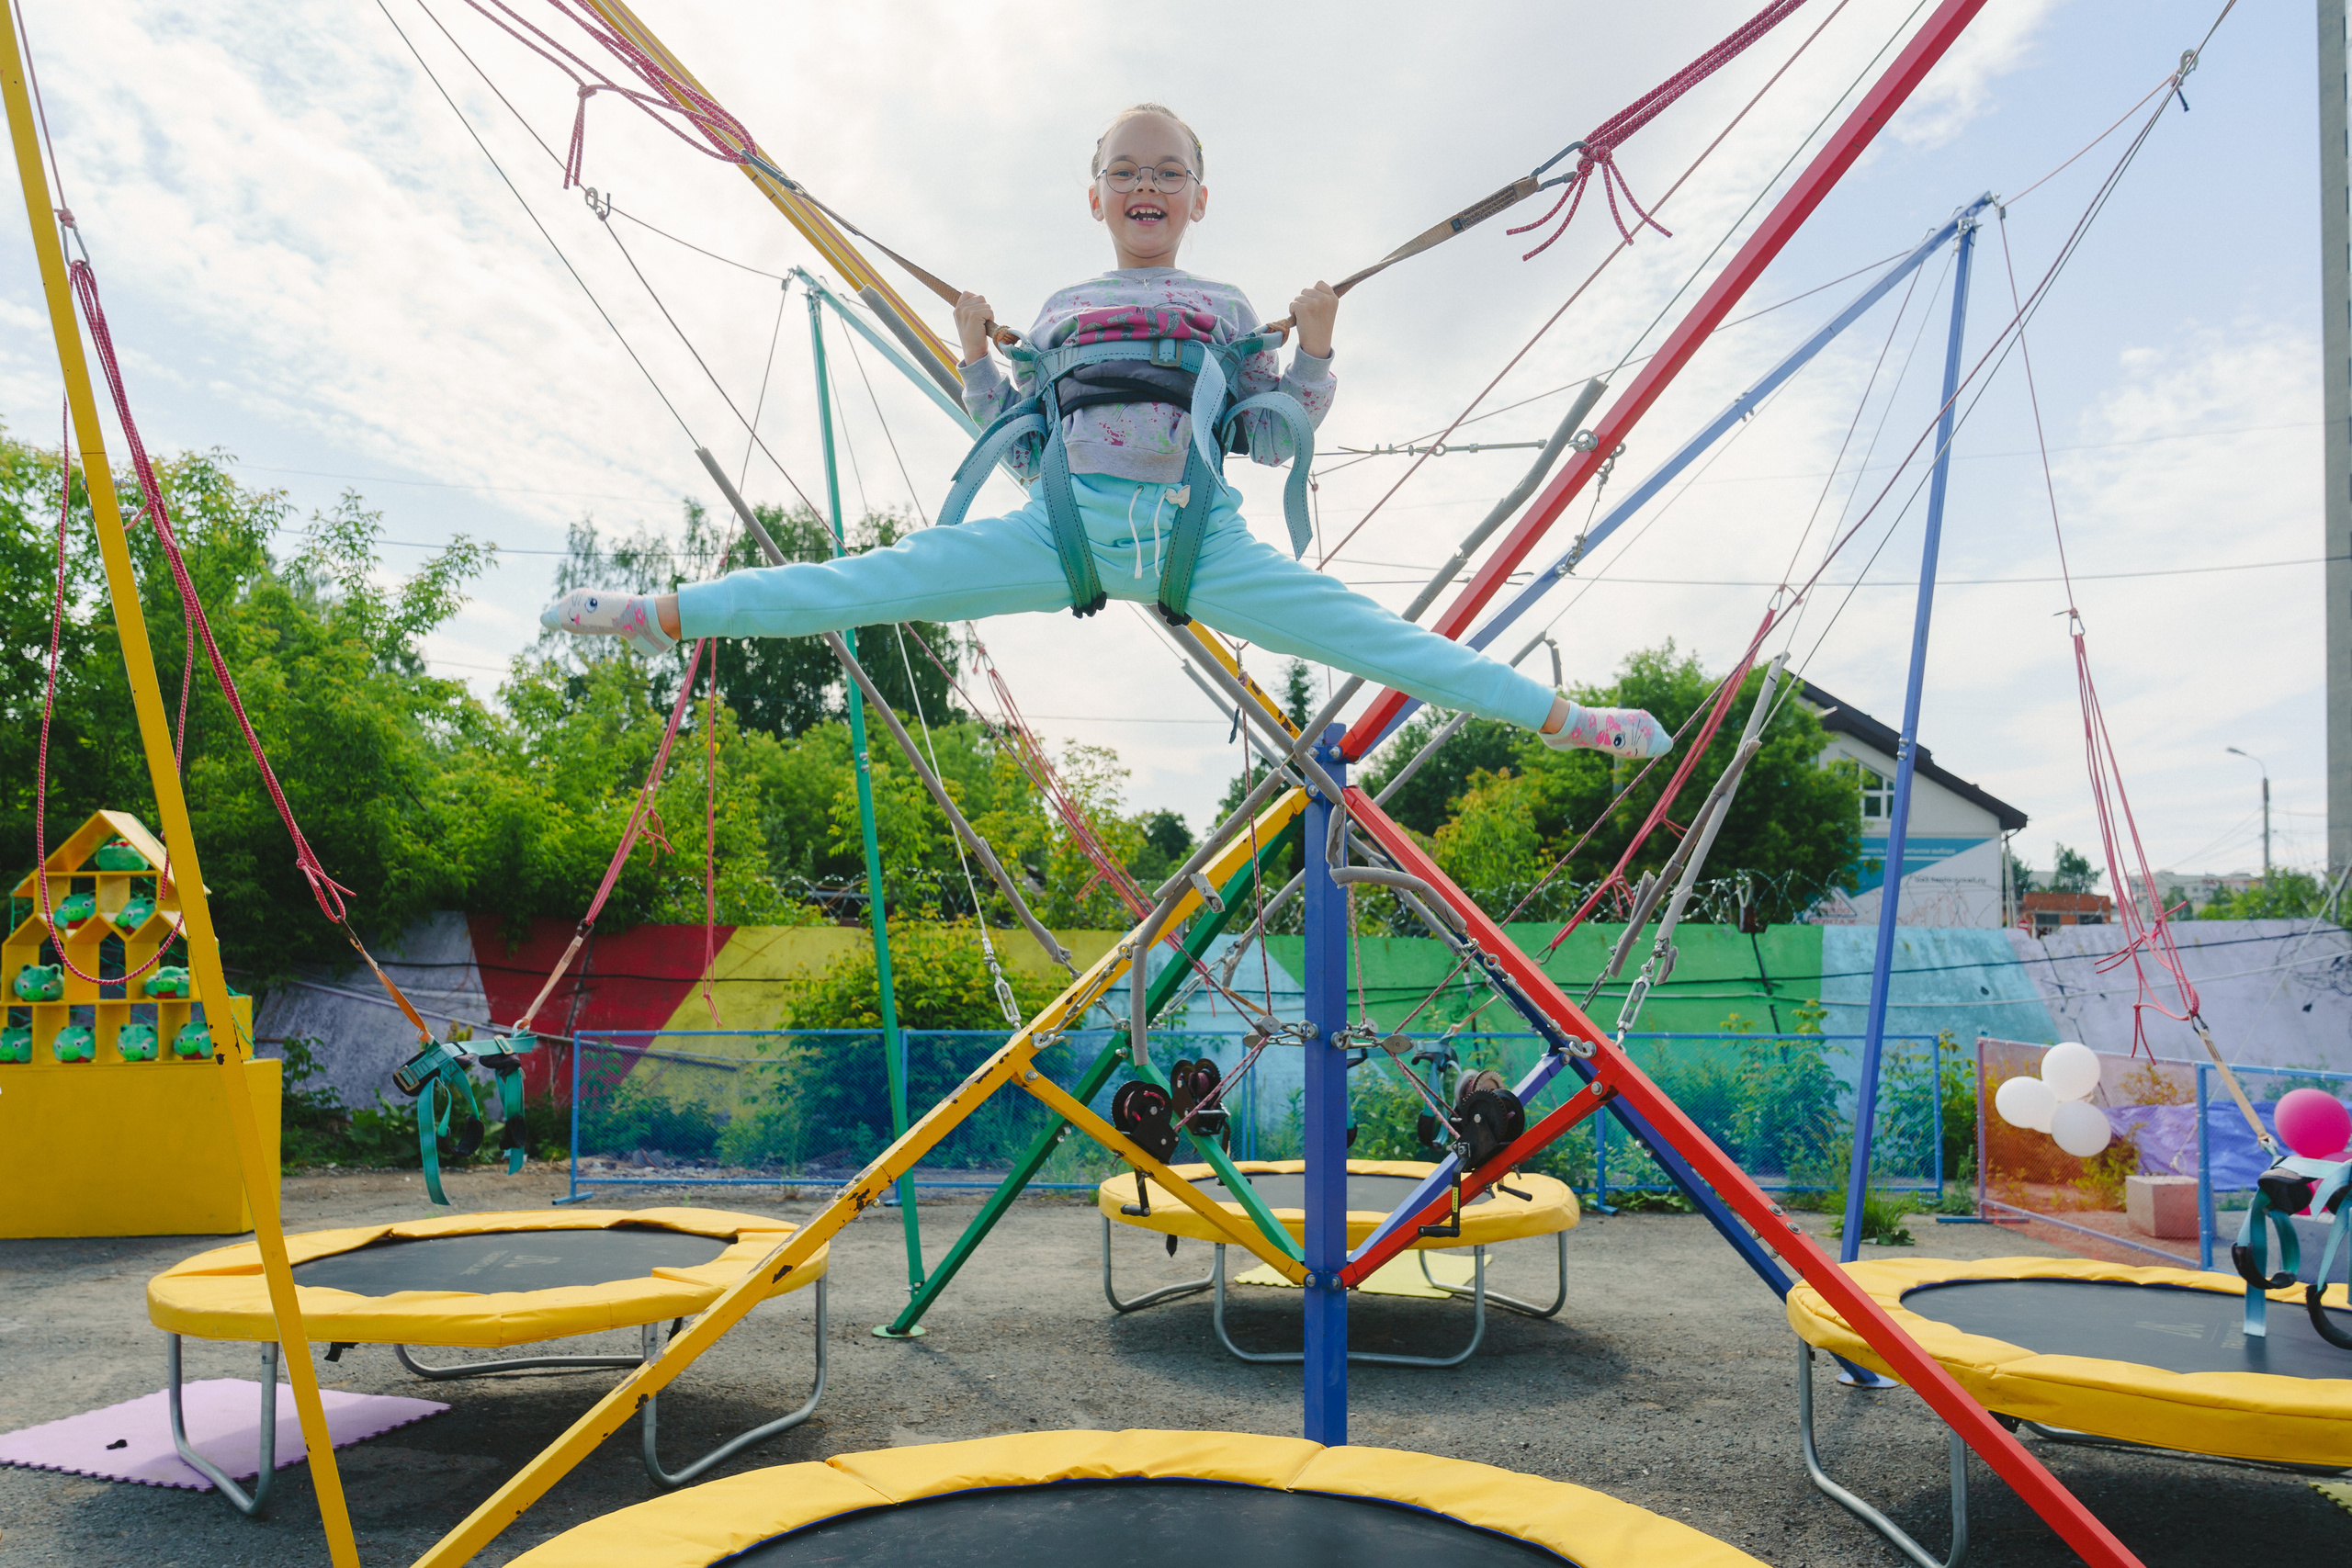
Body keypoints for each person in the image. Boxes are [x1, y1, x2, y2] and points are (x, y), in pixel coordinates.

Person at [545, 103, 1668, 759]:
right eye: (1124, 172)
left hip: (1201, 536)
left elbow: (1274, 442)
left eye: (1167, 172)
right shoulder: (1061, 315)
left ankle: (1563, 720)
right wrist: (979, 353)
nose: (1146, 184)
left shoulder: (1227, 310)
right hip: (1059, 530)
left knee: (1383, 644)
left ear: (1196, 199)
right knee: (860, 581)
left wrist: (1316, 345)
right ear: (1094, 198)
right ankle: (665, 613)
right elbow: (1019, 439)